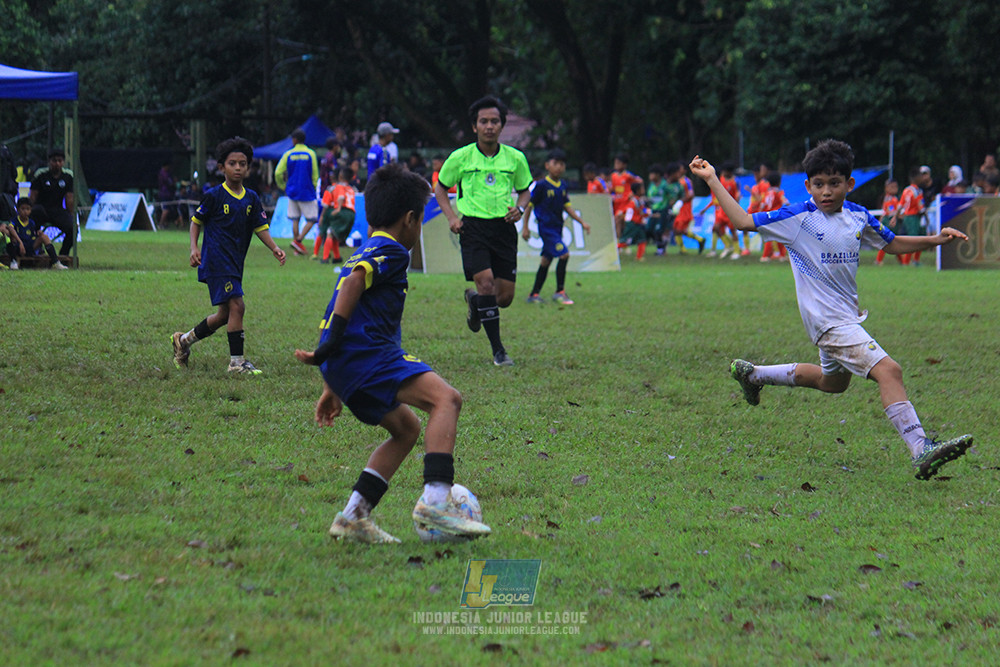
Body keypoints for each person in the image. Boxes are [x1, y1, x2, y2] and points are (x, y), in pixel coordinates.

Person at [690, 139, 973, 481]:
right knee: (890, 371)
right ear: (808, 185)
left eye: (834, 183)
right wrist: (712, 178)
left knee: (832, 383)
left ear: (849, 184)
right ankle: (920, 448)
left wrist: (935, 240)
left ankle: (754, 375)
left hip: (844, 317)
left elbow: (891, 243)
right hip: (827, 321)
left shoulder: (858, 216)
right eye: (819, 184)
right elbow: (742, 221)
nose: (826, 191)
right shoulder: (797, 218)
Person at [294, 163, 492, 544]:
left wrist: (332, 381)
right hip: (367, 356)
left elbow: (338, 304)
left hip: (349, 364)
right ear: (410, 219)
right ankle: (436, 502)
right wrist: (328, 350)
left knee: (406, 429)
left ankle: (353, 516)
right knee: (447, 399)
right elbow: (352, 286)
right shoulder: (392, 250)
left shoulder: (364, 249)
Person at [171, 137, 286, 375]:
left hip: (235, 263)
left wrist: (274, 248)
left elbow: (260, 227)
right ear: (221, 167)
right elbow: (196, 222)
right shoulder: (214, 195)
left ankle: (183, 341)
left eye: (242, 164)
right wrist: (194, 248)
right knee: (237, 305)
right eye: (232, 163)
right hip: (216, 260)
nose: (238, 168)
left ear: (248, 167)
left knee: (225, 315)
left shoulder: (251, 198)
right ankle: (236, 363)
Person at [434, 96, 532, 367]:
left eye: (494, 121)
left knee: (504, 297)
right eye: (484, 121)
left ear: (502, 125)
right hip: (473, 228)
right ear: (474, 126)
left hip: (504, 229)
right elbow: (440, 188)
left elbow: (525, 190)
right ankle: (499, 351)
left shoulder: (516, 158)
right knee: (486, 282)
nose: (489, 126)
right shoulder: (460, 157)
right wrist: (451, 217)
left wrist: (520, 209)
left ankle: (475, 301)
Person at [521, 148, 591, 304]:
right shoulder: (541, 185)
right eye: (556, 163)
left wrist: (582, 223)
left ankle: (534, 294)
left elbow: (567, 207)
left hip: (557, 228)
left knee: (546, 261)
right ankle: (560, 292)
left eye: (562, 164)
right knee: (564, 254)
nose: (559, 167)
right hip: (546, 229)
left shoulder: (562, 185)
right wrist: (525, 227)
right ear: (547, 165)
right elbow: (529, 206)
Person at [275, 129, 320, 256]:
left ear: (294, 139)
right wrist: (314, 186)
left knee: (295, 219)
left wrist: (282, 185)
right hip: (306, 191)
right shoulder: (310, 153)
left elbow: (278, 172)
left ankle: (297, 249)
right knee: (312, 219)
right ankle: (298, 241)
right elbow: (315, 173)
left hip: (292, 191)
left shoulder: (288, 154)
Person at [29, 148, 75, 256]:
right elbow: (33, 196)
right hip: (41, 210)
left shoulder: (68, 176)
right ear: (49, 162)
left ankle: (63, 255)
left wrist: (72, 216)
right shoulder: (41, 174)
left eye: (60, 161)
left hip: (57, 210)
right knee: (33, 219)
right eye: (54, 160)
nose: (57, 163)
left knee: (73, 229)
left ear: (63, 162)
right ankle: (35, 251)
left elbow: (69, 198)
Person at [4, 198, 68, 270]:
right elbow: (10, 228)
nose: (25, 211)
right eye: (23, 209)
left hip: (29, 247)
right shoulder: (15, 220)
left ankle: (55, 262)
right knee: (10, 239)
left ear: (31, 210)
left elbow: (33, 235)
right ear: (18, 210)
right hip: (19, 247)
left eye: (28, 209)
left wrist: (38, 233)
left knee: (44, 237)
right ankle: (14, 261)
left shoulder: (31, 222)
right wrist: (20, 242)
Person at [315, 166, 357, 264]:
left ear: (340, 176)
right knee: (335, 234)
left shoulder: (338, 187)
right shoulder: (351, 189)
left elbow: (340, 197)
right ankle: (337, 257)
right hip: (352, 214)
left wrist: (338, 209)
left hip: (342, 211)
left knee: (329, 232)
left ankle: (325, 258)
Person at [699, 160, 740, 258]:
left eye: (725, 171)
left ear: (729, 172)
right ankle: (728, 246)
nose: (723, 173)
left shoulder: (735, 182)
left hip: (730, 210)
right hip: (722, 209)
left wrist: (735, 207)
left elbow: (738, 195)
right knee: (716, 228)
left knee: (732, 230)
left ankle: (737, 251)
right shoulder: (721, 179)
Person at [891, 167, 926, 266]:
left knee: (917, 238)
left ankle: (913, 261)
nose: (922, 178)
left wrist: (895, 217)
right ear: (916, 178)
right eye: (921, 176)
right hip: (913, 217)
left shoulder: (906, 190)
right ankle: (908, 261)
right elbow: (921, 207)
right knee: (915, 240)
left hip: (907, 217)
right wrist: (926, 217)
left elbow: (900, 205)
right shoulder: (917, 191)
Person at [610, 153, 642, 242]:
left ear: (624, 165)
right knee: (620, 223)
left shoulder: (628, 176)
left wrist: (633, 194)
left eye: (618, 163)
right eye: (615, 163)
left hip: (626, 204)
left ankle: (619, 242)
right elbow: (612, 188)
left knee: (618, 220)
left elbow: (639, 181)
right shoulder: (613, 176)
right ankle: (622, 241)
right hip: (617, 204)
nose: (616, 165)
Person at [758, 171, 788, 261]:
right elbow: (785, 201)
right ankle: (776, 255)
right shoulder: (779, 192)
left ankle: (770, 255)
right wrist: (790, 206)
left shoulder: (767, 192)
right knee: (782, 235)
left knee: (771, 235)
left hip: (767, 216)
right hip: (776, 217)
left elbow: (762, 205)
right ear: (779, 182)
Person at [874, 179, 901, 266]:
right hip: (889, 220)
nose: (894, 189)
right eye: (892, 187)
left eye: (896, 187)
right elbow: (887, 211)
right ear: (886, 188)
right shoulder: (889, 198)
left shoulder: (893, 198)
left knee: (892, 241)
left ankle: (902, 261)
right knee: (887, 240)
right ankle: (878, 260)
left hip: (890, 220)